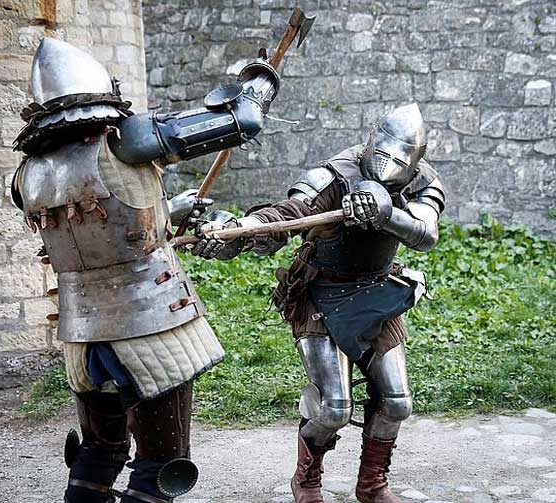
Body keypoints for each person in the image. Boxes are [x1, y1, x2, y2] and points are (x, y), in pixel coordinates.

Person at [10, 37, 280, 503]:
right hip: (148, 327)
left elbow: (100, 226)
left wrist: (167, 211)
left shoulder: (26, 173)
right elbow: (244, 120)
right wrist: (260, 82)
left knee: (99, 452)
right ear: (102, 93)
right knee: (161, 464)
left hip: (83, 335)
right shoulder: (125, 141)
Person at [191, 103, 446, 503]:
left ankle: (372, 484)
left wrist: (385, 212)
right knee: (333, 408)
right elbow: (288, 215)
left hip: (376, 294)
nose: (388, 166)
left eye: (400, 161)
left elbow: (425, 234)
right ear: (370, 143)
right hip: (321, 295)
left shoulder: (422, 181)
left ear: (413, 163)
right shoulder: (335, 175)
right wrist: (239, 231)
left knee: (397, 403)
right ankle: (307, 481)